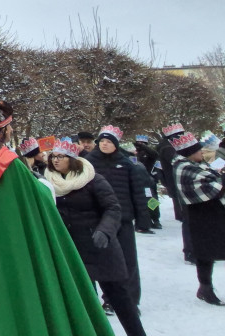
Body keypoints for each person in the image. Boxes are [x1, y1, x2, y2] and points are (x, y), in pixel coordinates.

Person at [0, 100, 113, 336]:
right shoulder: (5, 162)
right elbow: (33, 198)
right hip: (13, 241)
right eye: (10, 127)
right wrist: (44, 187)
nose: (11, 131)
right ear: (3, 129)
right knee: (18, 290)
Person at [45, 138, 148, 336]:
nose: (56, 161)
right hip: (72, 249)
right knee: (85, 301)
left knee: (119, 297)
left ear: (72, 159)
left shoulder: (92, 179)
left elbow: (112, 208)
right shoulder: (49, 183)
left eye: (61, 157)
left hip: (100, 247)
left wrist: (104, 231)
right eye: (54, 157)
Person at [171, 131, 225, 307]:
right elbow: (214, 189)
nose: (202, 153)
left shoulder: (201, 165)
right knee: (206, 254)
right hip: (203, 216)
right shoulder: (183, 168)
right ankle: (205, 289)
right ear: (189, 153)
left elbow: (219, 183)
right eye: (198, 151)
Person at [85, 126, 149, 313]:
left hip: (123, 219)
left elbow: (138, 193)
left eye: (109, 142)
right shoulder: (88, 163)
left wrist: (143, 219)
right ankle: (108, 299)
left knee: (128, 260)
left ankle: (130, 300)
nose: (105, 144)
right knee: (103, 260)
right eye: (102, 141)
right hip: (98, 219)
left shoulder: (128, 164)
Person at [158, 122, 193, 263]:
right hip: (178, 184)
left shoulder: (167, 146)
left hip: (176, 183)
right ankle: (190, 251)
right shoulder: (168, 148)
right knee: (188, 219)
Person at [133, 135, 162, 229]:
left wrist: (144, 147)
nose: (139, 145)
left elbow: (155, 154)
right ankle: (144, 219)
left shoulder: (149, 154)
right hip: (136, 180)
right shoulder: (134, 154)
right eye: (138, 143)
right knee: (138, 201)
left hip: (149, 181)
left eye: (142, 143)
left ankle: (155, 219)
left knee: (152, 200)